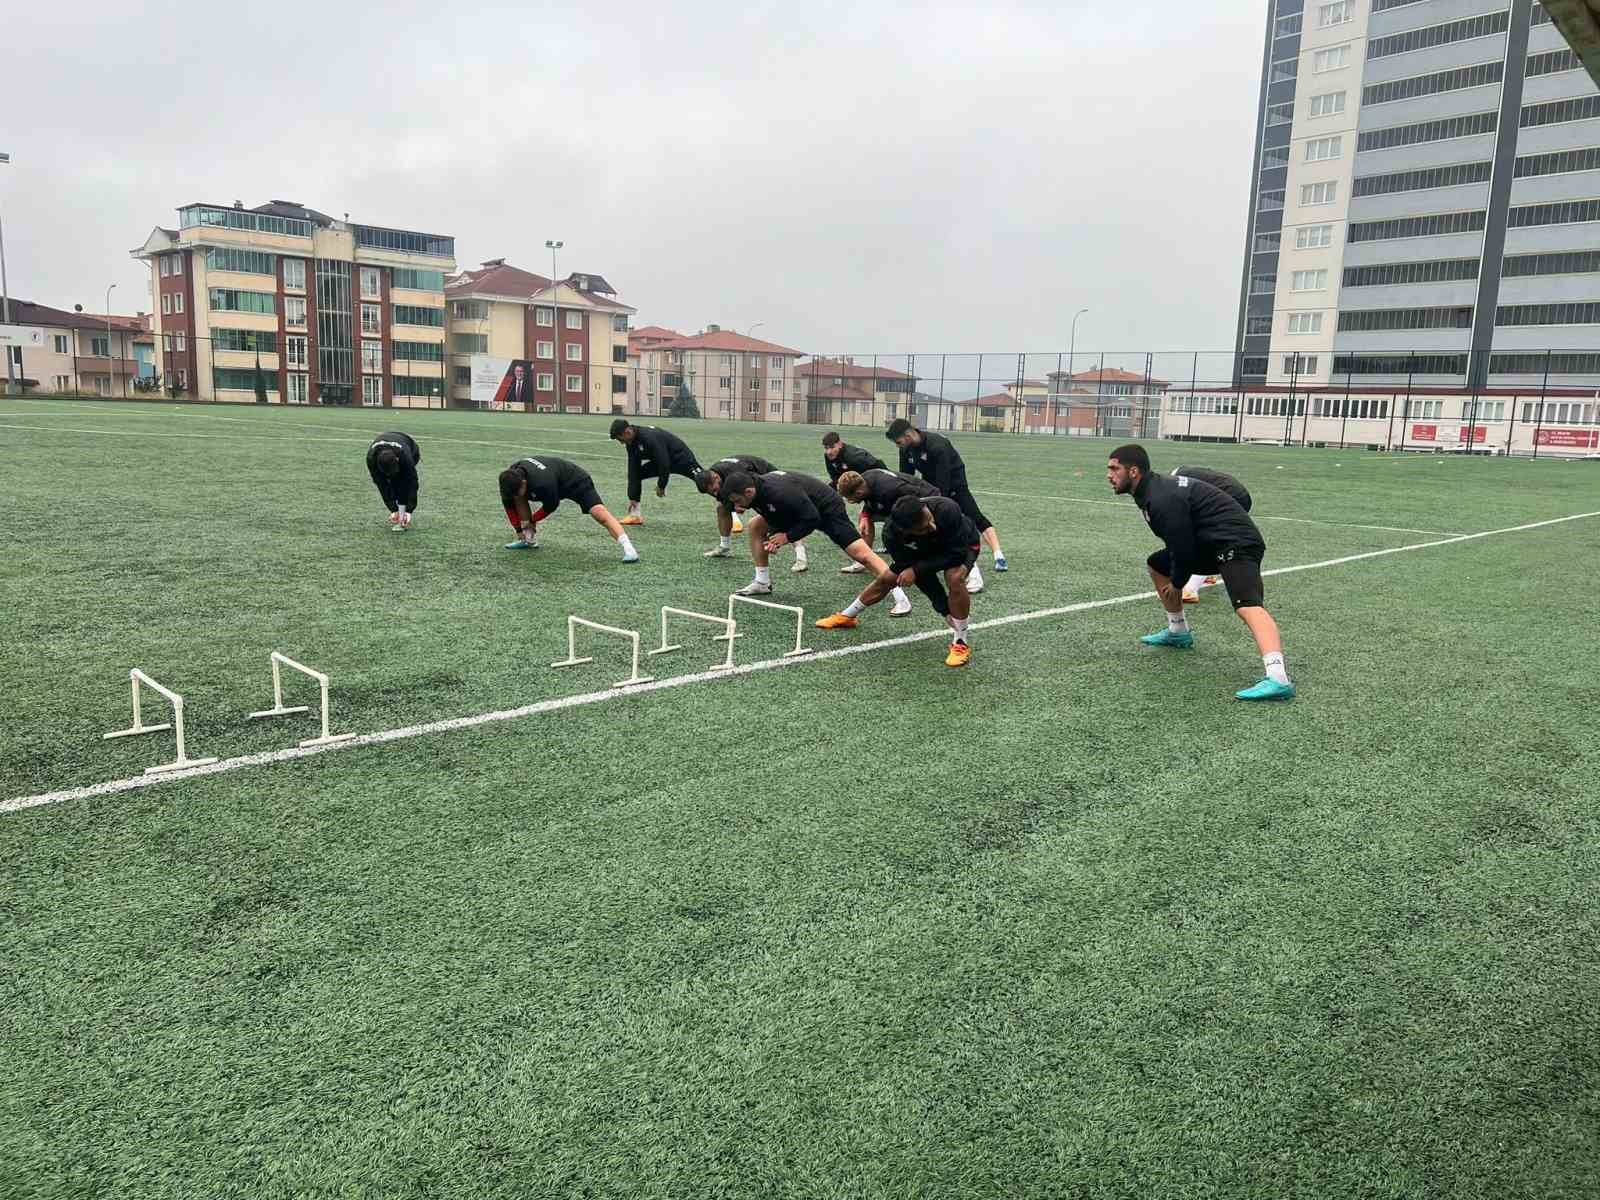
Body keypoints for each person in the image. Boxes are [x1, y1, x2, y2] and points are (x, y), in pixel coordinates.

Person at [1107, 444, 1293, 701]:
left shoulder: (1161, 497)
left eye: (1114, 468)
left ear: (1134, 471)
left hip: (1236, 542)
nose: (1109, 475)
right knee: (1156, 564)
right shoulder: (1151, 491)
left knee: (1247, 605)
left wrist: (1179, 583)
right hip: (1210, 542)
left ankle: (1278, 678)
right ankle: (1178, 631)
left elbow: (1181, 549)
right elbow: (1179, 548)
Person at [819, 495, 979, 668]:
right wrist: (944, 610)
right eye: (924, 528)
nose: (932, 526)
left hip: (962, 546)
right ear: (906, 531)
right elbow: (925, 579)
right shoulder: (892, 536)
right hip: (924, 552)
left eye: (930, 519)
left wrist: (915, 570)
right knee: (887, 578)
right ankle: (846, 617)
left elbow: (955, 554)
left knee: (954, 577)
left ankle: (960, 642)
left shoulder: (947, 509)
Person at [718, 469, 891, 597]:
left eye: (737, 501)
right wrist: (774, 538)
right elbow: (777, 516)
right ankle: (762, 582)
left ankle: (897, 591)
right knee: (755, 525)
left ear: (748, 492)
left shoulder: (777, 493)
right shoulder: (756, 491)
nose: (736, 506)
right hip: (802, 509)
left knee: (861, 554)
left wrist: (786, 537)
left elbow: (812, 518)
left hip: (827, 508)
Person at [833, 468, 982, 593]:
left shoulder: (890, 490)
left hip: (927, 498)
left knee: (946, 542)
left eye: (850, 498)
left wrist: (927, 517)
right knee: (866, 519)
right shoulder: (864, 480)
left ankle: (970, 566)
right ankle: (863, 560)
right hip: (902, 504)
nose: (850, 501)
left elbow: (913, 500)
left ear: (858, 493)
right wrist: (865, 514)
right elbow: (872, 500)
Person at [885, 418, 1007, 572]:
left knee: (974, 517)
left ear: (908, 435)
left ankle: (999, 555)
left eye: (898, 442)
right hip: (930, 485)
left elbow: (944, 481)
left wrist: (942, 505)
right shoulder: (905, 449)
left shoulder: (937, 445)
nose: (898, 446)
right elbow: (906, 477)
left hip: (955, 483)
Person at [498, 455, 639, 562]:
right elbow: (509, 505)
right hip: (554, 479)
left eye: (518, 491)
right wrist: (518, 529)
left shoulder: (542, 482)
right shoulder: (509, 477)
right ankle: (528, 540)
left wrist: (533, 520)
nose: (514, 496)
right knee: (518, 498)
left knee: (599, 513)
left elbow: (551, 505)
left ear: (523, 483)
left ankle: (629, 549)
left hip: (575, 481)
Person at [695, 455, 815, 571]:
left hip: (768, 479)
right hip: (750, 486)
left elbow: (754, 487)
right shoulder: (715, 476)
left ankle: (801, 556)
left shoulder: (738, 474)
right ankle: (724, 546)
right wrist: (733, 505)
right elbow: (724, 498)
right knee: (722, 508)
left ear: (716, 477)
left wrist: (741, 505)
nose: (715, 494)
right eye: (711, 493)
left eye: (715, 490)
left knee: (783, 517)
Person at [1171, 466, 1252, 603]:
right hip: (1239, 494)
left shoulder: (1174, 484)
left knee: (1204, 539)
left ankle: (1190, 590)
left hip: (1231, 495)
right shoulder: (1180, 474)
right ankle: (1208, 573)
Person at [608, 419, 703, 525]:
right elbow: (633, 469)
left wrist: (661, 485)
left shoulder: (649, 437)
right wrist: (632, 496)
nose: (621, 442)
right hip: (662, 461)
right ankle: (635, 515)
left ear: (627, 432)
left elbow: (664, 463)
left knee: (703, 480)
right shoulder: (630, 443)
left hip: (682, 459)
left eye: (620, 439)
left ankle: (723, 499)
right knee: (636, 474)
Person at [367, 432, 420, 531]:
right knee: (392, 484)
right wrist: (393, 509)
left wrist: (409, 510)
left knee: (402, 482)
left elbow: (412, 481)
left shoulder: (404, 456)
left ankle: (403, 514)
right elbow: (381, 485)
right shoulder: (371, 459)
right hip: (388, 450)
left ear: (397, 459)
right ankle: (399, 513)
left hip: (411, 448)